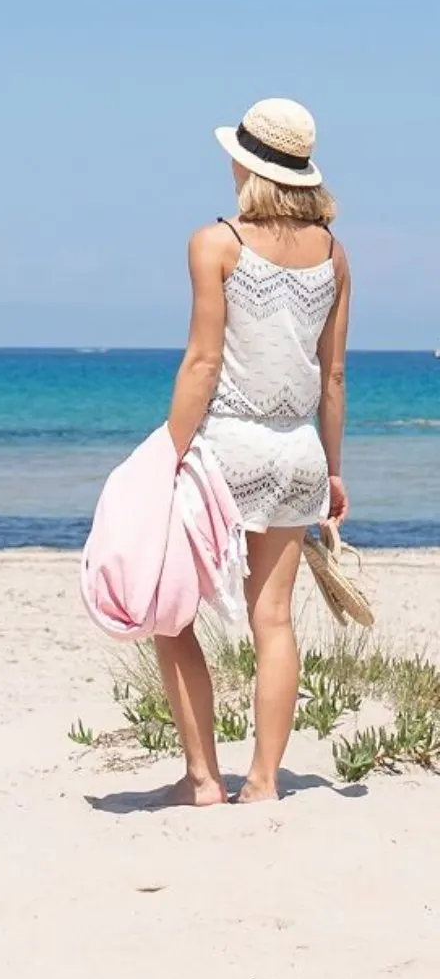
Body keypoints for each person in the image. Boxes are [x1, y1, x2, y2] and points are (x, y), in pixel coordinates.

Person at [158, 99, 350, 805]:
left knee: (171, 612)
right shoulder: (333, 252)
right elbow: (332, 376)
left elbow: (203, 363)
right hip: (297, 451)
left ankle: (204, 778)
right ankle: (264, 782)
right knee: (274, 622)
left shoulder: (216, 243)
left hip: (226, 449)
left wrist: (167, 454)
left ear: (246, 164)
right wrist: (332, 470)